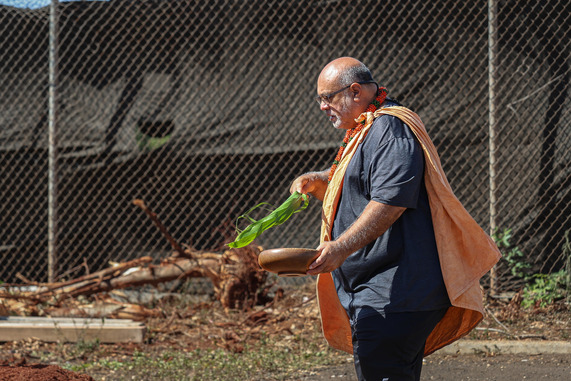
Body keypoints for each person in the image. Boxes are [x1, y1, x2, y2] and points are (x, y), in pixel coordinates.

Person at [289, 57, 501, 381]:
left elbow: (390, 201)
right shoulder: (367, 127)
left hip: (395, 294)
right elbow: (363, 182)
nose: (322, 106)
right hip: (383, 293)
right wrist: (320, 180)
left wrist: (341, 247)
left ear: (355, 91)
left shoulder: (391, 128)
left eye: (327, 97)